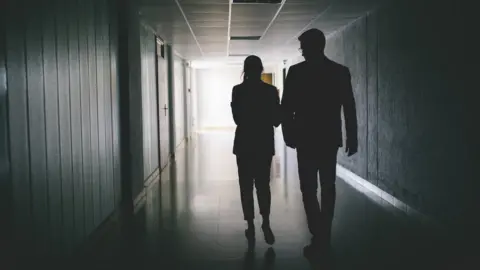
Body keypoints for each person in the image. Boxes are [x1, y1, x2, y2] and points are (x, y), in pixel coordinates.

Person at [281, 28, 358, 255]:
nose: (301, 51)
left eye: (303, 46)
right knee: (328, 187)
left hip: (305, 139)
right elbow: (349, 108)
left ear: (313, 46)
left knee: (309, 188)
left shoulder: (296, 72)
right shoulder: (339, 72)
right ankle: (323, 232)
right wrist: (351, 137)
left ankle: (317, 231)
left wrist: (288, 134)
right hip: (328, 138)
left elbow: (287, 108)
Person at [231, 55, 281, 245]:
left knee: (245, 186)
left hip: (244, 144)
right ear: (260, 70)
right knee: (263, 185)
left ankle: (250, 225)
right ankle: (266, 223)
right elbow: (276, 121)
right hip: (263, 144)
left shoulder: (238, 91)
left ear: (245, 70)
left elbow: (237, 119)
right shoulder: (270, 91)